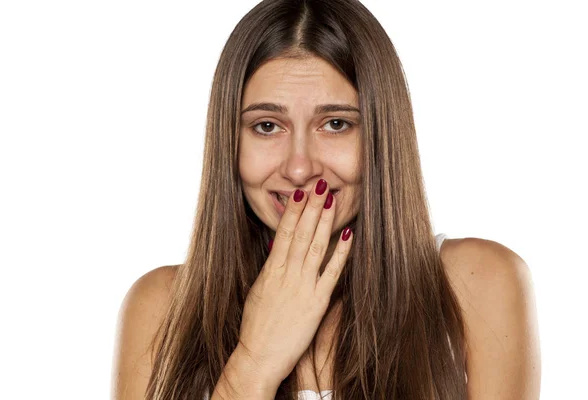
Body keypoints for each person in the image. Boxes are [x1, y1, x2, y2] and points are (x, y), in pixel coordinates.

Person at [111, 0, 541, 399]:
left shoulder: (478, 282)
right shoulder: (161, 307)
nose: (300, 168)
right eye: (266, 126)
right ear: (229, 142)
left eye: (335, 124)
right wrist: (254, 362)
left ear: (380, 135)